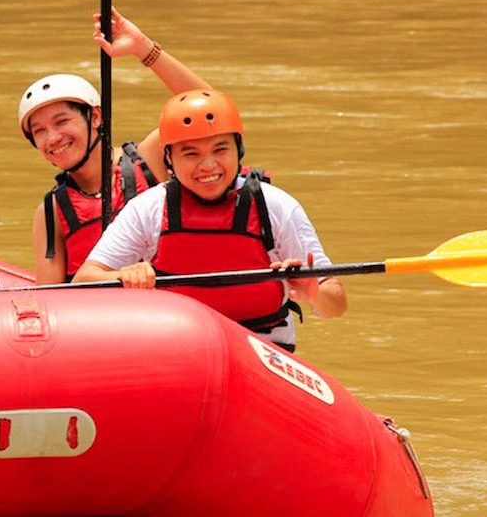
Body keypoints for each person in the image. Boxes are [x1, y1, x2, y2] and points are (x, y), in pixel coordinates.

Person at [73, 89, 347, 352]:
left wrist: (313, 293)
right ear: (169, 158)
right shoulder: (148, 208)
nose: (208, 166)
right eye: (191, 154)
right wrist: (122, 276)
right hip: (177, 348)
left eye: (220, 150)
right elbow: (82, 283)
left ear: (238, 149)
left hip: (262, 350)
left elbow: (336, 304)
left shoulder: (276, 206)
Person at [19, 8, 211, 284]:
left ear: (95, 117)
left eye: (62, 122)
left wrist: (144, 49)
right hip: (103, 311)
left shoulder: (149, 159)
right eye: (39, 131)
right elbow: (51, 297)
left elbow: (209, 108)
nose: (52, 138)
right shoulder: (50, 212)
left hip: (172, 306)